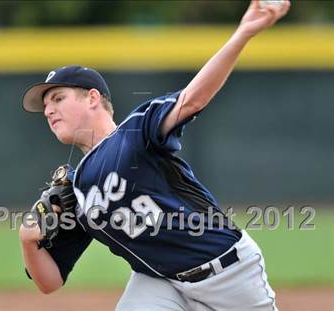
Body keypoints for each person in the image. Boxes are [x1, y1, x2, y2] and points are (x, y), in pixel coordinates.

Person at [19, 1, 290, 310]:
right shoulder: (77, 189)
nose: (49, 109)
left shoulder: (135, 132)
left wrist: (243, 32)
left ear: (92, 98)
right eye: (46, 106)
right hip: (160, 281)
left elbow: (192, 100)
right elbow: (50, 282)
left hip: (228, 273)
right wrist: (28, 241)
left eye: (58, 98)